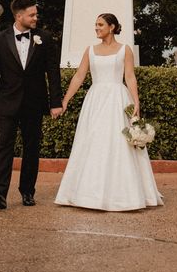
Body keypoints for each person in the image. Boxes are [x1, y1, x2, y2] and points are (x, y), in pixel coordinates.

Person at [55, 13, 163, 212]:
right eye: (95, 24)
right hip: (95, 100)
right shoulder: (91, 51)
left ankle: (123, 195)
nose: (96, 28)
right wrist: (66, 99)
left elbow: (130, 77)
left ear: (111, 27)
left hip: (117, 99)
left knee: (118, 144)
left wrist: (136, 102)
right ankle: (86, 193)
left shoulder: (124, 50)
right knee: (92, 140)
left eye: (100, 24)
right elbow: (79, 76)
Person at [0, 0, 63, 210]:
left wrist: (56, 102)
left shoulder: (44, 38)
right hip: (6, 103)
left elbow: (53, 72)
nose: (36, 18)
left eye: (36, 14)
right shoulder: (0, 39)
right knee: (3, 147)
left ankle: (27, 191)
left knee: (31, 148)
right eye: (32, 15)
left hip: (34, 103)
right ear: (19, 16)